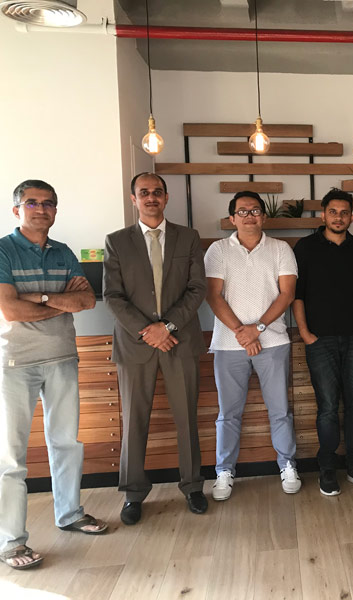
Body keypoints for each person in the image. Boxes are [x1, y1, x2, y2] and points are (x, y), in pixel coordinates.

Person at [0, 180, 106, 570]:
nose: (41, 209)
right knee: (11, 457)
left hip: (62, 358)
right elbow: (10, 311)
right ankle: (9, 542)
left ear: (55, 210)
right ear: (17, 210)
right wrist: (60, 301)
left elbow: (86, 299)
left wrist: (39, 297)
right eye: (32, 202)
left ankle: (70, 514)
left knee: (66, 443)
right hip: (16, 364)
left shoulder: (64, 252)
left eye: (48, 203)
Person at [104, 173, 208, 525]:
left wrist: (168, 326)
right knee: (134, 421)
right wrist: (147, 330)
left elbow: (197, 288)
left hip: (180, 340)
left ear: (167, 197)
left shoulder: (188, 237)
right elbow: (112, 295)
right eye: (144, 192)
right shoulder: (117, 241)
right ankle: (133, 494)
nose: (151, 197)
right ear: (133, 198)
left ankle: (193, 486)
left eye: (157, 192)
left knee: (186, 418)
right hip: (136, 344)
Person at [204, 191, 301, 500]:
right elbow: (213, 295)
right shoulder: (218, 250)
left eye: (255, 210)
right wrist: (241, 332)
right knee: (228, 413)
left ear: (264, 216)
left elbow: (287, 294)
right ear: (232, 218)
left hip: (273, 341)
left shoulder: (281, 249)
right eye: (242, 211)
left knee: (280, 410)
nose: (249, 216)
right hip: (228, 344)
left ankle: (287, 464)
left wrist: (257, 329)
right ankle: (224, 471)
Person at [292, 189, 353, 495]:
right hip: (319, 338)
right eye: (333, 212)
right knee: (327, 407)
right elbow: (297, 294)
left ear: (351, 217)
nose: (338, 217)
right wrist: (305, 333)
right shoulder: (305, 247)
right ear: (323, 215)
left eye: (344, 213)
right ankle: (327, 467)